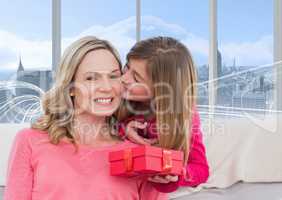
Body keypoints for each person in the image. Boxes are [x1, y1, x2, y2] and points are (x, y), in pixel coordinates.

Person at [3, 36, 167, 200]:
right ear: (71, 87)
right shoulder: (30, 141)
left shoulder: (139, 154)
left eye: (113, 76)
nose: (106, 87)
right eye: (91, 78)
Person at [116, 36, 210, 193]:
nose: (123, 78)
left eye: (136, 78)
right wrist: (123, 131)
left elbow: (201, 170)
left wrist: (178, 174)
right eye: (127, 67)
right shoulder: (117, 95)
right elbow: (98, 131)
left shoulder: (186, 118)